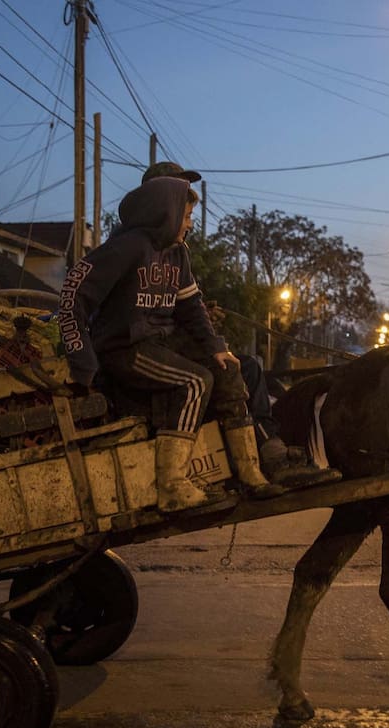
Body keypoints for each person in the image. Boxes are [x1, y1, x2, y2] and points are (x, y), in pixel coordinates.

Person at [59, 174, 282, 513]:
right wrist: (83, 361)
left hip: (161, 344)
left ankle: (250, 472)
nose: (189, 224)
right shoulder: (129, 246)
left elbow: (192, 307)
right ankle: (172, 485)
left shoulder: (178, 254)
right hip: (125, 348)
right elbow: (73, 294)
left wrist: (216, 347)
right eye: (187, 216)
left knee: (227, 370)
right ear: (166, 212)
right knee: (194, 382)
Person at [141, 161, 340, 489]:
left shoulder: (177, 251)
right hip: (153, 352)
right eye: (179, 193)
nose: (186, 201)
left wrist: (209, 332)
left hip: (169, 343)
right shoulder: (142, 250)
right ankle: (269, 456)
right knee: (245, 369)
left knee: (249, 368)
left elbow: (188, 306)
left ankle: (266, 449)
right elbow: (144, 314)